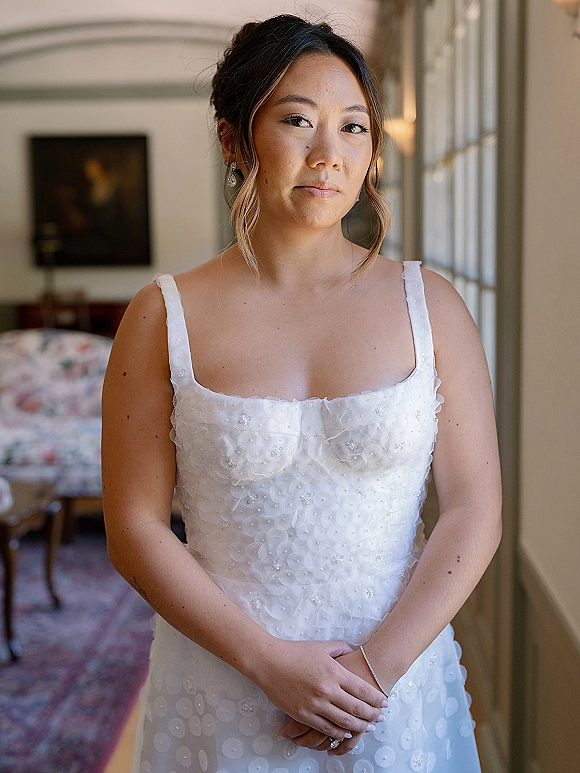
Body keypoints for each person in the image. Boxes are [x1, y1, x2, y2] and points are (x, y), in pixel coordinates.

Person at [102, 15, 502, 773]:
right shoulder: (163, 316)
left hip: (394, 688)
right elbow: (134, 527)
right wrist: (268, 663)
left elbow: (474, 505)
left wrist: (375, 669)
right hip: (225, 687)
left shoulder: (431, 304)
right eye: (297, 121)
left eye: (354, 127)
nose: (330, 154)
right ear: (234, 140)